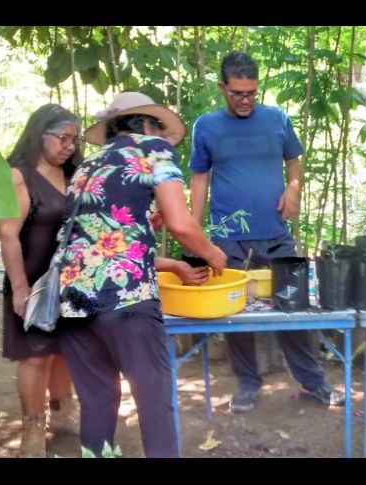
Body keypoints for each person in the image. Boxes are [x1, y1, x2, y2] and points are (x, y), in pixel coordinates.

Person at [55, 92, 227, 457]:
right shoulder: (153, 148)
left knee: (98, 400)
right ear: (147, 124)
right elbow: (181, 225)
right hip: (127, 301)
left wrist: (150, 221)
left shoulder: (87, 166)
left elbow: (101, 241)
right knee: (153, 401)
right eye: (161, 128)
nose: (165, 136)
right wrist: (213, 254)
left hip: (71, 302)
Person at [189, 51, 345, 413]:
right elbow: (199, 179)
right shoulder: (206, 126)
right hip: (228, 235)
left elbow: (294, 162)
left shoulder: (277, 119)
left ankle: (312, 381)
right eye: (237, 93)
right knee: (236, 313)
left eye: (251, 93)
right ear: (221, 88)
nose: (245, 101)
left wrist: (294, 189)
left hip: (275, 233)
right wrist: (195, 234)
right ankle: (247, 381)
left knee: (292, 307)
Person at [0, 104, 82, 457]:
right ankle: (33, 428)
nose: (69, 146)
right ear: (40, 134)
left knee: (64, 351)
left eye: (74, 140)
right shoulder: (17, 175)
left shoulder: (75, 174)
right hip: (32, 282)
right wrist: (19, 288)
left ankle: (62, 415)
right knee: (36, 356)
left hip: (69, 282)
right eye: (63, 138)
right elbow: (7, 235)